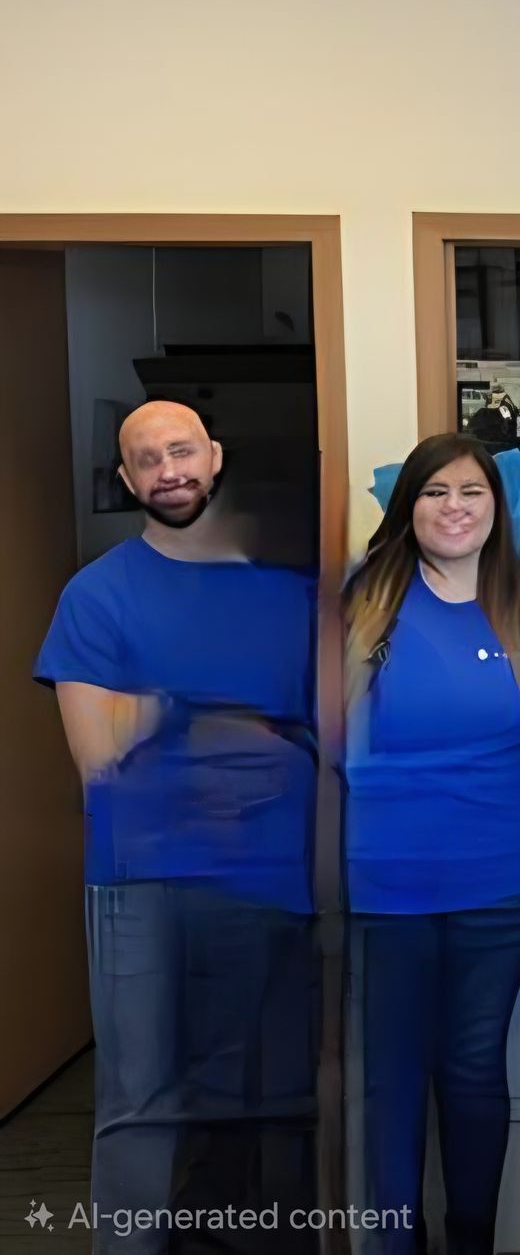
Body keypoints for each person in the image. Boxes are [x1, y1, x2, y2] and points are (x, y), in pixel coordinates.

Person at [35, 400, 319, 1252]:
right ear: (127, 480)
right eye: (148, 458)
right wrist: (245, 735)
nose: (170, 469)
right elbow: (99, 761)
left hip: (279, 879)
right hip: (142, 884)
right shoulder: (97, 595)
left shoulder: (292, 594)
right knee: (141, 1102)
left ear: (215, 455)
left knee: (274, 1100)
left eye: (183, 450)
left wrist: (166, 718)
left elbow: (328, 742)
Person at [343, 433, 520, 1254]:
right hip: (383, 886)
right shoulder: (361, 597)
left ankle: (471, 1238)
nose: (454, 508)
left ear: (498, 508)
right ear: (406, 507)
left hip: (503, 884)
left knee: (474, 1068)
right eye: (435, 492)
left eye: (471, 493)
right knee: (392, 1079)